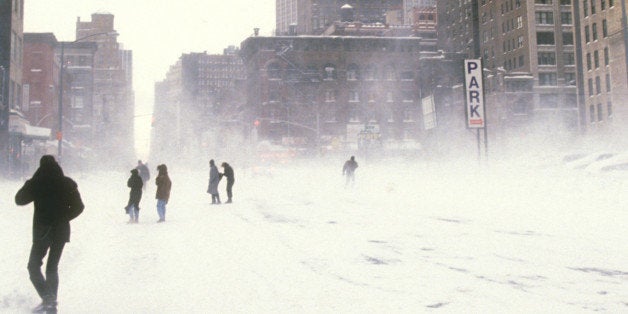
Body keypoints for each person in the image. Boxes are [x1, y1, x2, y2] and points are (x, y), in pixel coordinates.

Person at [14, 155, 84, 313]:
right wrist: (63, 218)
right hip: (61, 230)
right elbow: (79, 207)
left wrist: (30, 182)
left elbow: (19, 200)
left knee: (33, 266)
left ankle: (48, 298)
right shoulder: (67, 183)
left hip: (42, 231)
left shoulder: (37, 183)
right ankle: (50, 304)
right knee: (52, 268)